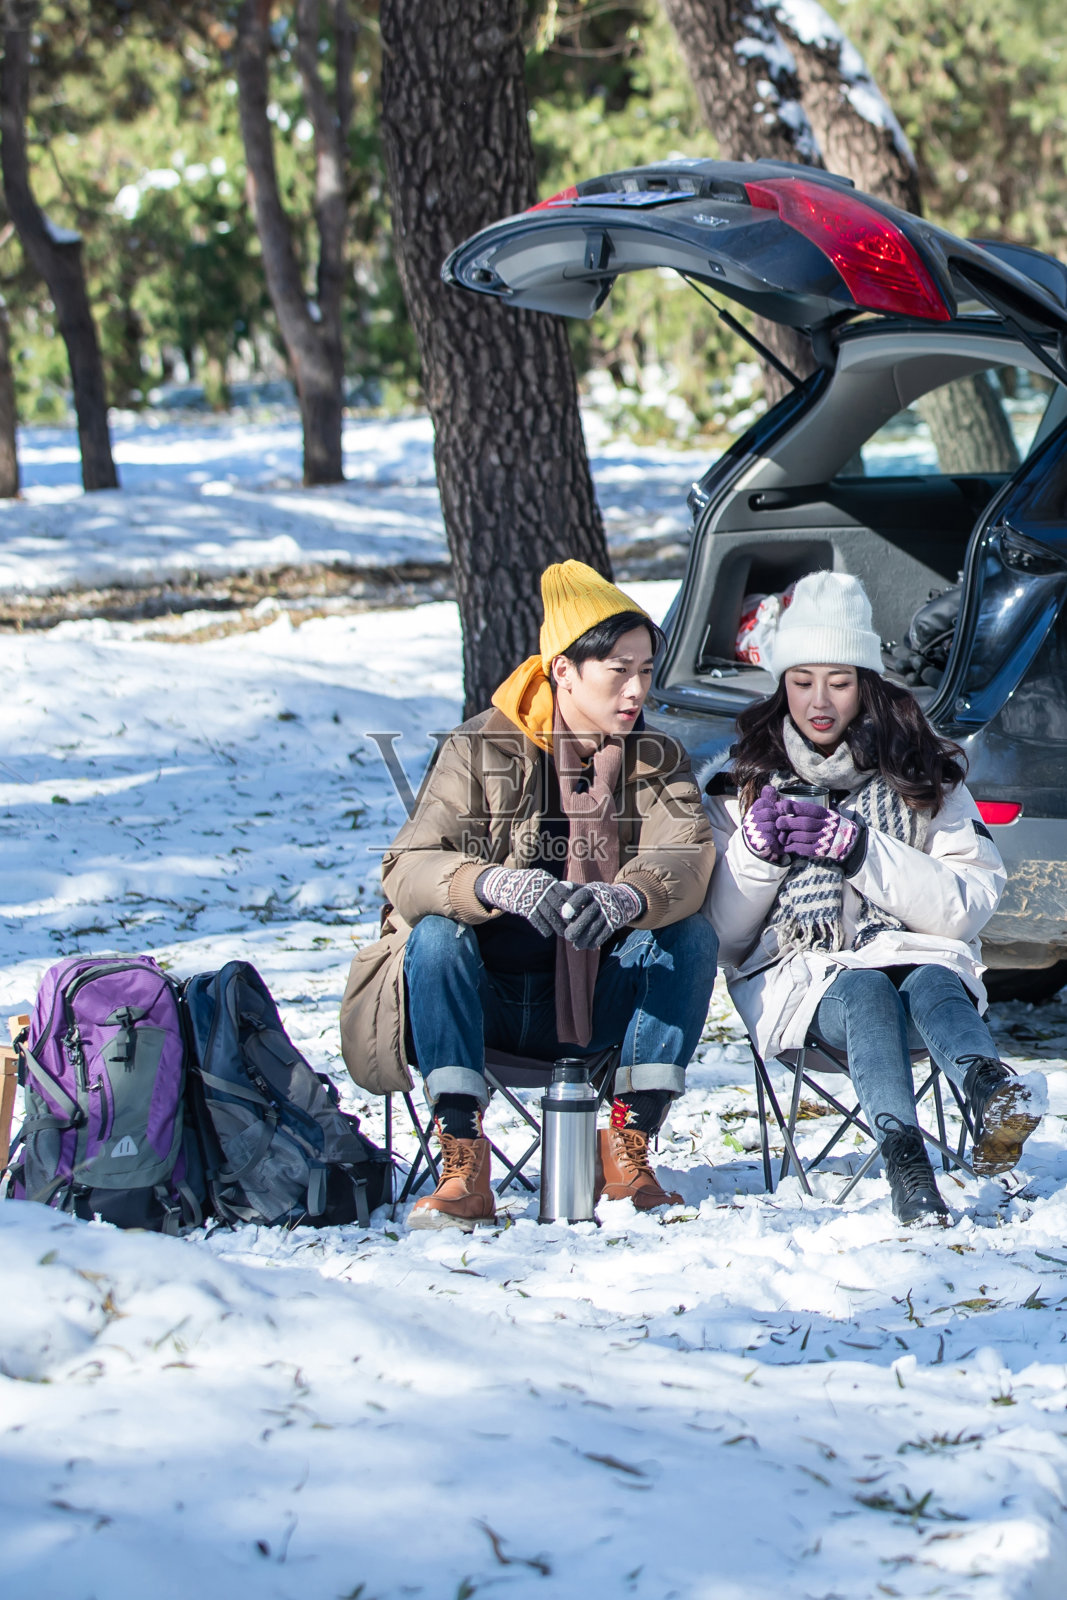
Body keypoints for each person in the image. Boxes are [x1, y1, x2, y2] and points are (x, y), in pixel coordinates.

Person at [341, 560, 718, 1228]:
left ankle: (629, 1148)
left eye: (645, 670)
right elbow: (408, 865)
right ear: (562, 670)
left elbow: (685, 852)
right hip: (479, 1005)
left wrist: (628, 898)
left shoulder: (654, 757)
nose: (636, 689)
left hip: (597, 1005)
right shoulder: (476, 747)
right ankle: (462, 1163)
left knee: (687, 936)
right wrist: (490, 883)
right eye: (618, 671)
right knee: (433, 935)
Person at [703, 569, 1045, 1226]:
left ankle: (990, 1092)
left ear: (865, 685)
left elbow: (969, 904)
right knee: (863, 987)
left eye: (838, 681)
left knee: (929, 977)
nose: (819, 700)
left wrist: (858, 849)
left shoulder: (926, 778)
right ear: (780, 686)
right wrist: (755, 853)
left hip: (915, 966)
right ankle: (905, 1163)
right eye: (801, 681)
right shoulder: (742, 783)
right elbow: (722, 937)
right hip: (800, 985)